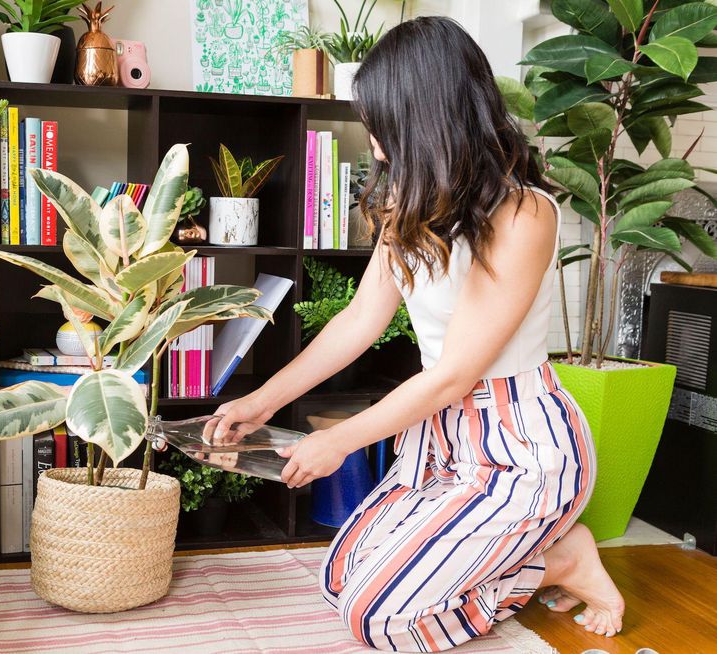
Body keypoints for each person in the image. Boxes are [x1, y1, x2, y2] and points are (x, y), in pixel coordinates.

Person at [209, 16, 625, 652]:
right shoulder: (411, 203)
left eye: (383, 125)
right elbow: (357, 322)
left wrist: (340, 441)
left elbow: (457, 372)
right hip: (439, 442)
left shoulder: (524, 212)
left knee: (379, 621)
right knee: (338, 579)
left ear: (428, 116)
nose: (375, 145)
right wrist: (259, 402)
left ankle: (562, 561)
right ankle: (539, 551)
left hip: (517, 450)